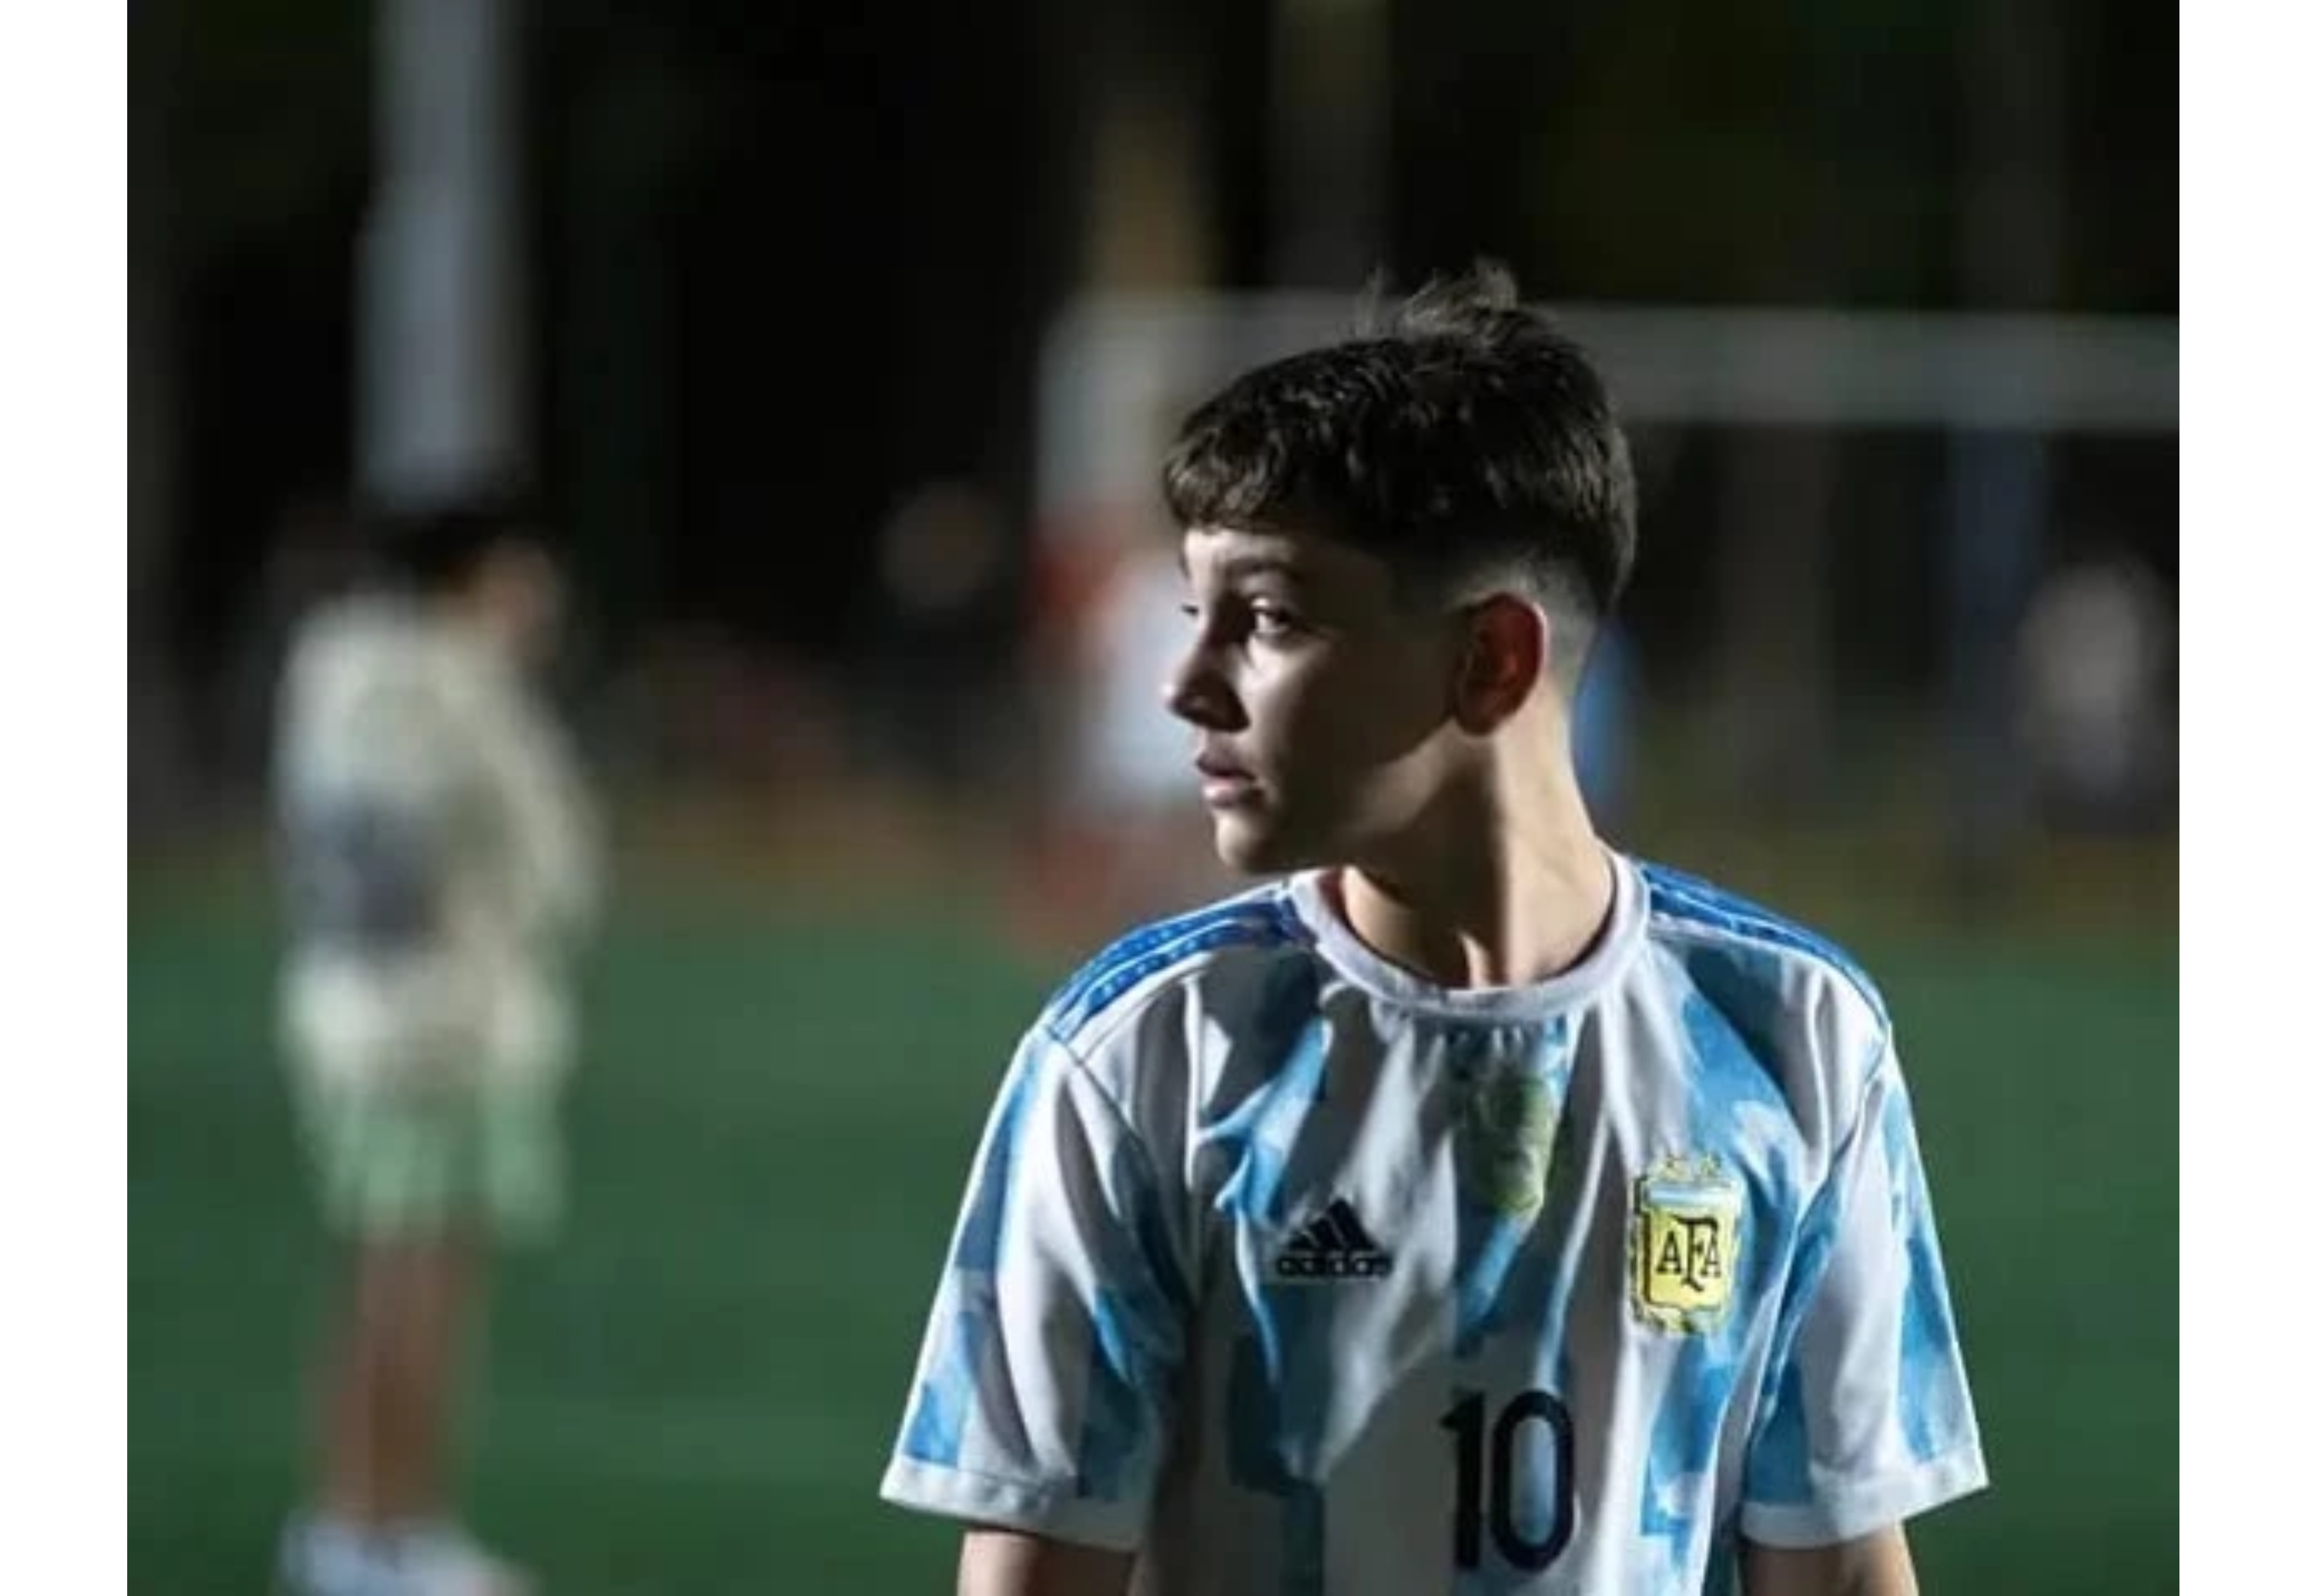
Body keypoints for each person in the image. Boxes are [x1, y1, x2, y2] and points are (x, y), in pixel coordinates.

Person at [878, 264, 1988, 1594]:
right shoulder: (1142, 1058)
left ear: (1492, 661)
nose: (1185, 686)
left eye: (1270, 618)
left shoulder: (1793, 1040)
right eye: (1195, 616)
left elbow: (1845, 1568)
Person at [270, 491, 604, 1596]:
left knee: (391, 1285)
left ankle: (359, 1522)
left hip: (372, 1014)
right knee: (414, 1294)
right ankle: (381, 1529)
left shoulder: (342, 665)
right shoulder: (439, 683)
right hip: (433, 1030)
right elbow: (528, 863)